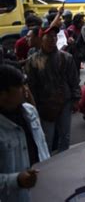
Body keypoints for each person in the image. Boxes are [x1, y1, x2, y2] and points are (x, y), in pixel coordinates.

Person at [24, 26, 81, 153]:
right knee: (47, 139)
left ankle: (64, 162)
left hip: (65, 102)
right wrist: (34, 107)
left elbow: (74, 80)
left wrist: (76, 99)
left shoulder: (66, 58)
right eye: (48, 36)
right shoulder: (33, 61)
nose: (52, 39)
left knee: (65, 137)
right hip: (45, 106)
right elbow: (31, 86)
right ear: (41, 38)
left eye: (55, 36)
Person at [0, 65, 50, 202]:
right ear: (3, 94)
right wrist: (16, 180)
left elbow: (42, 146)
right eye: (20, 86)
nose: (25, 90)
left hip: (45, 190)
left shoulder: (30, 112)